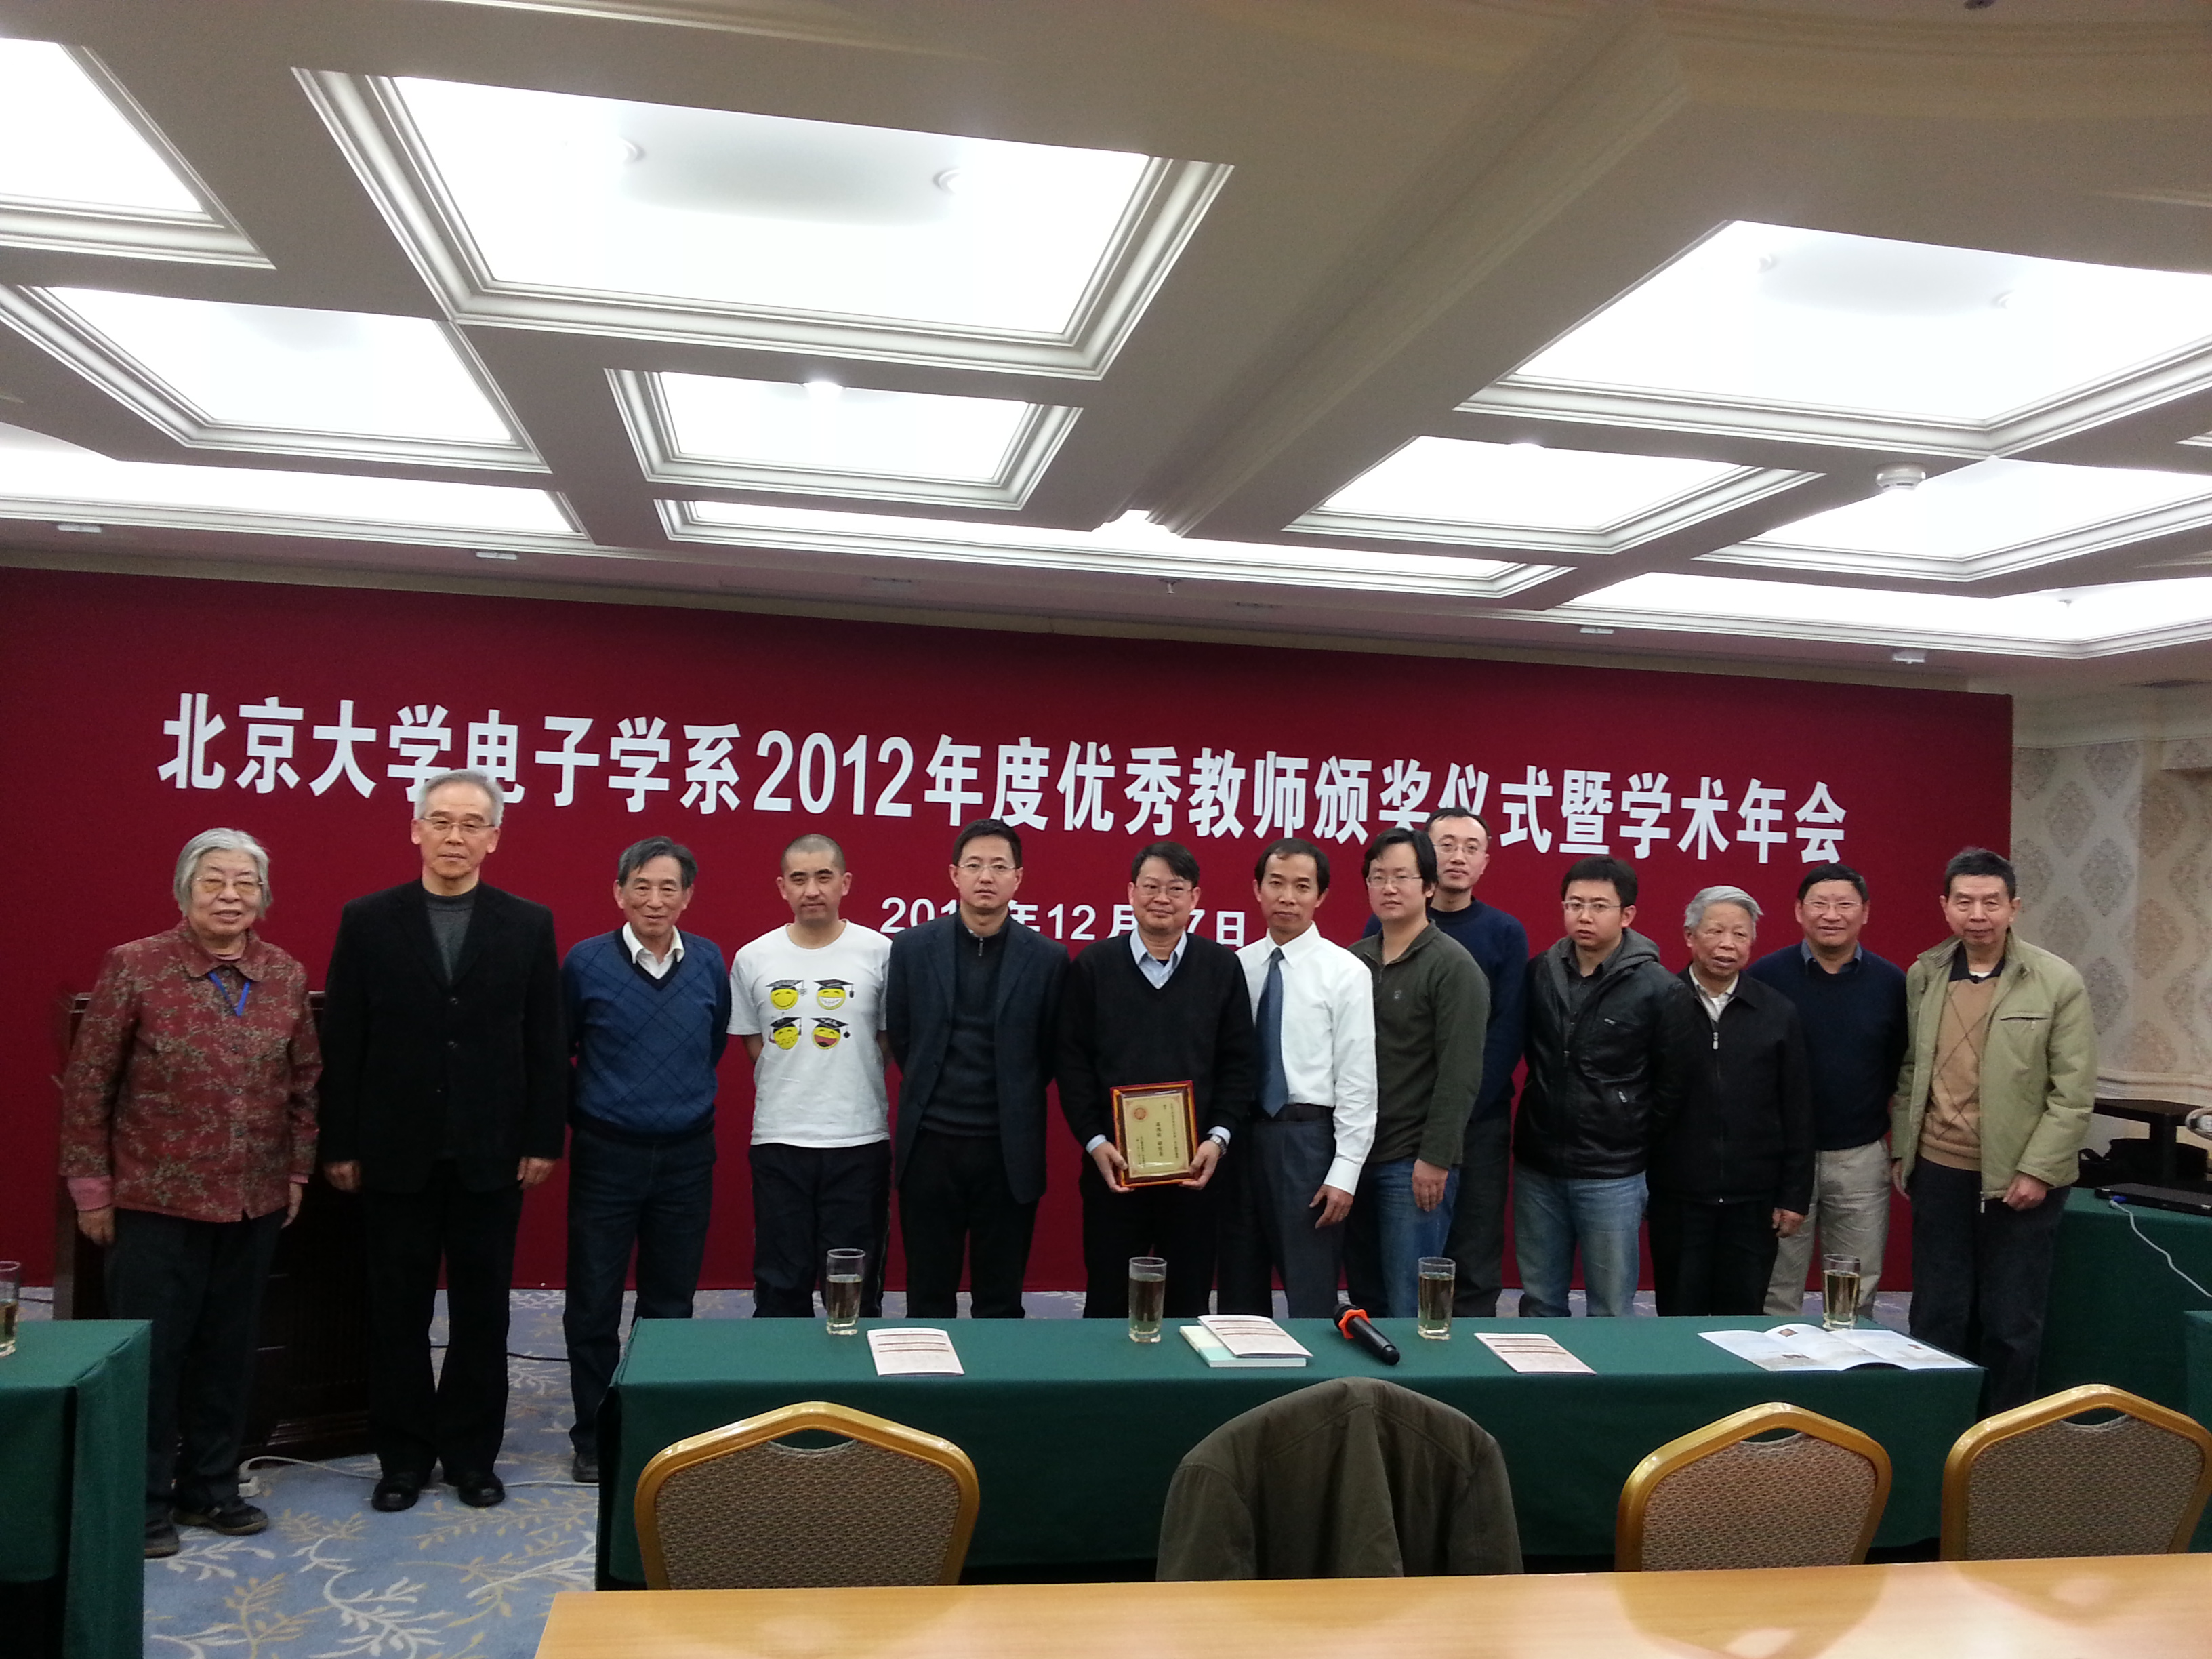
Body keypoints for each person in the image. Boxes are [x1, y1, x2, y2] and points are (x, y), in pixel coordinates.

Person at [59, 830, 320, 1559]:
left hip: (251, 1201)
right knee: (153, 1356)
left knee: (229, 1353)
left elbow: (305, 1083)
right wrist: (91, 1189)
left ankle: (212, 1486)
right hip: (154, 1202)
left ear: (264, 896)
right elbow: (89, 1084)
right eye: (214, 881)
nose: (230, 896)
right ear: (184, 891)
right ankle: (143, 1502)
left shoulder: (284, 974)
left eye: (246, 883)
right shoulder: (136, 966)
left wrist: (295, 1172)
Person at [321, 771, 566, 1513]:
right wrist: (340, 1142)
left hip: (492, 1152)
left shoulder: (528, 923)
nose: (454, 836)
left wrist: (542, 1136)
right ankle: (401, 1459)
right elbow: (345, 1039)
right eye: (441, 821)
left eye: (471, 824)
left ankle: (470, 1458)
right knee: (396, 1313)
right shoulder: (368, 919)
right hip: (394, 1151)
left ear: (494, 838)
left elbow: (544, 1040)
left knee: (483, 1314)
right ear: (416, 829)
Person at [1893, 846, 2094, 1413]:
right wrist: (1905, 1151)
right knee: (1937, 1313)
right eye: (1964, 902)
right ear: (1945, 906)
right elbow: (1912, 1069)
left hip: (2018, 1178)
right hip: (1939, 1169)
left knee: (2011, 1319)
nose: (1977, 915)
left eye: (1990, 902)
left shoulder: (2055, 981)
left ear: (2014, 907)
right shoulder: (1926, 974)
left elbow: (2073, 1092)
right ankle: (1937, 1424)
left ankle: (2003, 1435)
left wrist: (2037, 1170)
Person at [560, 836, 730, 1486]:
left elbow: (710, 1045)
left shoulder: (709, 960)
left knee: (670, 1305)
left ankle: (655, 1428)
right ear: (619, 892)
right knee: (593, 1302)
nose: (655, 900)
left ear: (688, 897)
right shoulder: (584, 963)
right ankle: (595, 1435)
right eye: (642, 886)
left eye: (668, 888)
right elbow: (561, 1048)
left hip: (687, 1156)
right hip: (607, 1156)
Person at [1057, 842, 1256, 1319]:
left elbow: (1239, 1064)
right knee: (1108, 1304)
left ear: (1195, 898)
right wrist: (1095, 1142)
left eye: (1175, 888)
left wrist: (1218, 1139)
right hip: (1114, 1172)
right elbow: (1072, 1063)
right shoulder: (1094, 967)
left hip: (1195, 1175)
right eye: (1151, 886)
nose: (1162, 898)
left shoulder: (1221, 967)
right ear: (1131, 892)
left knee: (1187, 1306)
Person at [883, 818, 1068, 1318]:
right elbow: (903, 1035)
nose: (986, 876)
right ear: (954, 875)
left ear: (1018, 878)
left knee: (1000, 1301)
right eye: (975, 865)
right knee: (928, 1296)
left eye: (999, 866)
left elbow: (1049, 1052)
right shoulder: (912, 948)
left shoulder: (1048, 959)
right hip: (930, 1145)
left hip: (1008, 1150)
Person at [1514, 855, 1701, 1318]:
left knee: (1612, 1308)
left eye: (1599, 906)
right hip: (1539, 1164)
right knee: (1539, 1303)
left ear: (1627, 914)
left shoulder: (1658, 988)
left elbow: (1673, 1086)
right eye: (1574, 904)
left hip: (1612, 1173)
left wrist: (1628, 1131)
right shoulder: (1540, 972)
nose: (1584, 915)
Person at [1363, 808, 1528, 1315]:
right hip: (1375, 1139)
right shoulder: (1366, 947)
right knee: (1375, 1282)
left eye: (1470, 847)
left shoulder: (1478, 947)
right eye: (1446, 844)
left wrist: (1442, 1141)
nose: (1458, 856)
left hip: (1453, 1131)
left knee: (1452, 1270)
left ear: (1426, 882)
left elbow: (1489, 1044)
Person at [730, 833, 893, 1320]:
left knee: (854, 1290)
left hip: (858, 1140)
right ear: (783, 887)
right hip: (780, 1140)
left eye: (824, 877)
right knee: (780, 1284)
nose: (812, 890)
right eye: (799, 879)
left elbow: (886, 1039)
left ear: (845, 883)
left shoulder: (880, 952)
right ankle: (783, 1371)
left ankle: (853, 1371)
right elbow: (753, 1042)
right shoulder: (753, 957)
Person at [1219, 838, 1376, 1319]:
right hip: (1240, 1140)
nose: (1288, 897)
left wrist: (1345, 1172)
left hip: (1307, 1144)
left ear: (1320, 896)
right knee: (1238, 1295)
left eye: (1302, 886)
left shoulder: (1345, 972)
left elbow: (1358, 1081)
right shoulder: (1237, 967)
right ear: (1257, 889)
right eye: (1277, 883)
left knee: (1311, 1298)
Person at [1746, 863, 1908, 1318]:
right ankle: (1773, 1363)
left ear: (1865, 912)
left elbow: (1900, 1068)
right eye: (1819, 904)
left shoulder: (1892, 983)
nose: (1831, 915)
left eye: (1844, 905)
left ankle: (1850, 1362)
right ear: (1799, 911)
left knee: (1854, 1291)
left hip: (1858, 1157)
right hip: (1781, 1158)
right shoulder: (1765, 977)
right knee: (1775, 1288)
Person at [1647, 886, 1812, 1316]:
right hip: (1678, 1198)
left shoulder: (1776, 1012)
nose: (1727, 944)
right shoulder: (1659, 1004)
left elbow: (1797, 1109)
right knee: (1678, 1315)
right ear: (1689, 936)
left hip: (1753, 1202)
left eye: (1740, 934)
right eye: (1715, 931)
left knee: (1742, 1319)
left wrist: (1794, 1195)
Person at [1345, 829, 1487, 1319]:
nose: (1389, 887)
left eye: (1402, 876)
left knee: (1411, 1306)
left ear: (1428, 886)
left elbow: (1460, 1073)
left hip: (1412, 1165)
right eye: (1377, 876)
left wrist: (1435, 1158)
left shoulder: (1453, 967)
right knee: (1365, 1302)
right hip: (1354, 1158)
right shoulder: (1352, 961)